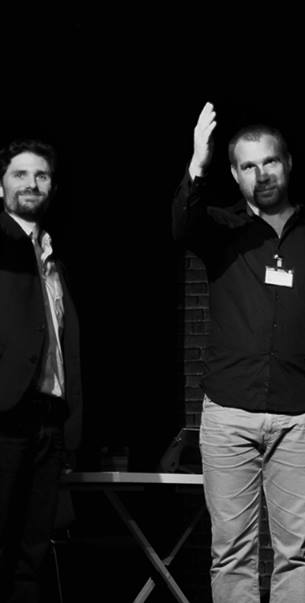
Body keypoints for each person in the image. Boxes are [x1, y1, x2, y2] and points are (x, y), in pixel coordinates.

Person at [172, 103, 305, 602]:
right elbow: (180, 226)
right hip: (229, 413)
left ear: (287, 163)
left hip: (302, 416)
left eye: (269, 161)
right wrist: (197, 162)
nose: (261, 173)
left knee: (297, 553)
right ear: (234, 174)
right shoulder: (218, 228)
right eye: (248, 166)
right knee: (232, 552)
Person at [0, 139, 82, 602]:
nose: (32, 183)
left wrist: (70, 428)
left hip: (48, 421)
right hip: (5, 416)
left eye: (42, 175)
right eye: (20, 174)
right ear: (0, 186)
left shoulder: (52, 256)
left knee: (32, 555)